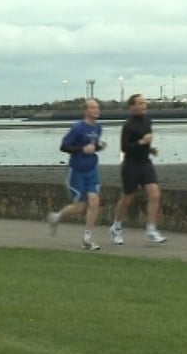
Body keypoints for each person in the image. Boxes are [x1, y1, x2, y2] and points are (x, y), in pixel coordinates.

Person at [46, 98, 107, 250]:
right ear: (86, 111)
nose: (96, 110)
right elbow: (64, 146)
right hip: (77, 171)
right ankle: (57, 217)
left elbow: (93, 147)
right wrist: (82, 150)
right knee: (80, 207)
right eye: (93, 108)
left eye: (98, 107)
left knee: (94, 201)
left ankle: (87, 239)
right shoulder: (78, 128)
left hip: (92, 169)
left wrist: (99, 147)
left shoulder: (98, 128)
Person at [110, 93, 167, 244]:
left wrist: (150, 149)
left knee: (155, 193)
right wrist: (142, 142)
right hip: (131, 165)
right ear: (132, 106)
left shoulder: (148, 121)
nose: (144, 105)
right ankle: (116, 226)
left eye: (144, 103)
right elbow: (125, 147)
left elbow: (146, 143)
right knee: (127, 197)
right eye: (140, 103)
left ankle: (151, 229)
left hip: (145, 163)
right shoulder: (128, 125)